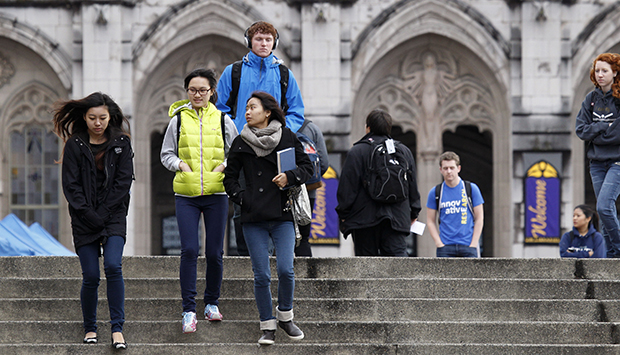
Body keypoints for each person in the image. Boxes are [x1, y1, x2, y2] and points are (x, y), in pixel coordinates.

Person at [224, 91, 312, 345]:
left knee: (286, 269)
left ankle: (285, 316)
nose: (247, 112)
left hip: (282, 214)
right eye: (247, 108)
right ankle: (267, 326)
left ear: (268, 112)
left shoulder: (287, 136)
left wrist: (289, 177)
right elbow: (229, 178)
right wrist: (243, 198)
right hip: (253, 218)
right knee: (261, 274)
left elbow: (308, 168)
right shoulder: (241, 142)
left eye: (253, 107)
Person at [216, 20, 305, 256]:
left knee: (281, 199)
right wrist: (234, 132)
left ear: (274, 42)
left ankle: (279, 254)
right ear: (249, 42)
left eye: (268, 39)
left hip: (276, 147)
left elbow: (296, 111)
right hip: (243, 145)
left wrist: (284, 134)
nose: (263, 44)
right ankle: (246, 254)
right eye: (258, 39)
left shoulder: (285, 73)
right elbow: (220, 108)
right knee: (241, 201)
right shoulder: (233, 72)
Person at [160, 69, 238, 334]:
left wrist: (223, 168)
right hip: (186, 195)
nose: (197, 95)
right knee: (190, 250)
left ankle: (211, 303)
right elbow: (166, 154)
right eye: (192, 90)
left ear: (211, 92)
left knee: (215, 252)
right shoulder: (178, 121)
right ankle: (189, 309)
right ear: (187, 92)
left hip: (217, 194)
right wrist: (180, 164)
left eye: (202, 90)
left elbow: (235, 154)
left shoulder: (224, 120)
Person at [53, 92, 133, 349]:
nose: (97, 123)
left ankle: (117, 329)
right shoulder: (75, 144)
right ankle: (90, 328)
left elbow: (123, 183)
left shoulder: (121, 142)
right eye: (92, 118)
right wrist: (89, 214)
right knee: (90, 276)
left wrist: (105, 213)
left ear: (110, 117)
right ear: (84, 118)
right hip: (84, 217)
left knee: (113, 266)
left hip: (113, 216)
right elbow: (70, 186)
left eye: (102, 118)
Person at [336, 109, 421, 257]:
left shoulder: (357, 151)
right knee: (397, 268)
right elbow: (412, 185)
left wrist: (344, 213)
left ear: (367, 128)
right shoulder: (404, 151)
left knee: (367, 268)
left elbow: (347, 187)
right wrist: (414, 212)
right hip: (397, 218)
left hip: (364, 220)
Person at [575, 53, 620, 258]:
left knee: (603, 206)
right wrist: (605, 127)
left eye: (605, 71)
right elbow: (581, 130)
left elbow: (616, 134)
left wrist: (597, 132)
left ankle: (618, 248)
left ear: (615, 72)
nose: (600, 75)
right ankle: (612, 255)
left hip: (617, 161)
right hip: (597, 162)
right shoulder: (590, 99)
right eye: (597, 70)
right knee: (603, 211)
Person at [426, 151, 484, 258]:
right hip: (445, 247)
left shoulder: (471, 189)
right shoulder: (435, 192)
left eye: (452, 168)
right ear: (440, 170)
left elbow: (479, 218)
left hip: (468, 245)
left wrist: (474, 244)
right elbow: (430, 220)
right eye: (445, 168)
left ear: (459, 168)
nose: (449, 171)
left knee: (470, 275)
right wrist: (439, 243)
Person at [295, 120, 329, 256]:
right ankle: (305, 275)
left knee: (279, 237)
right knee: (303, 238)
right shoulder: (312, 128)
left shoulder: (273, 126)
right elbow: (324, 163)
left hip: (281, 191)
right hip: (308, 192)